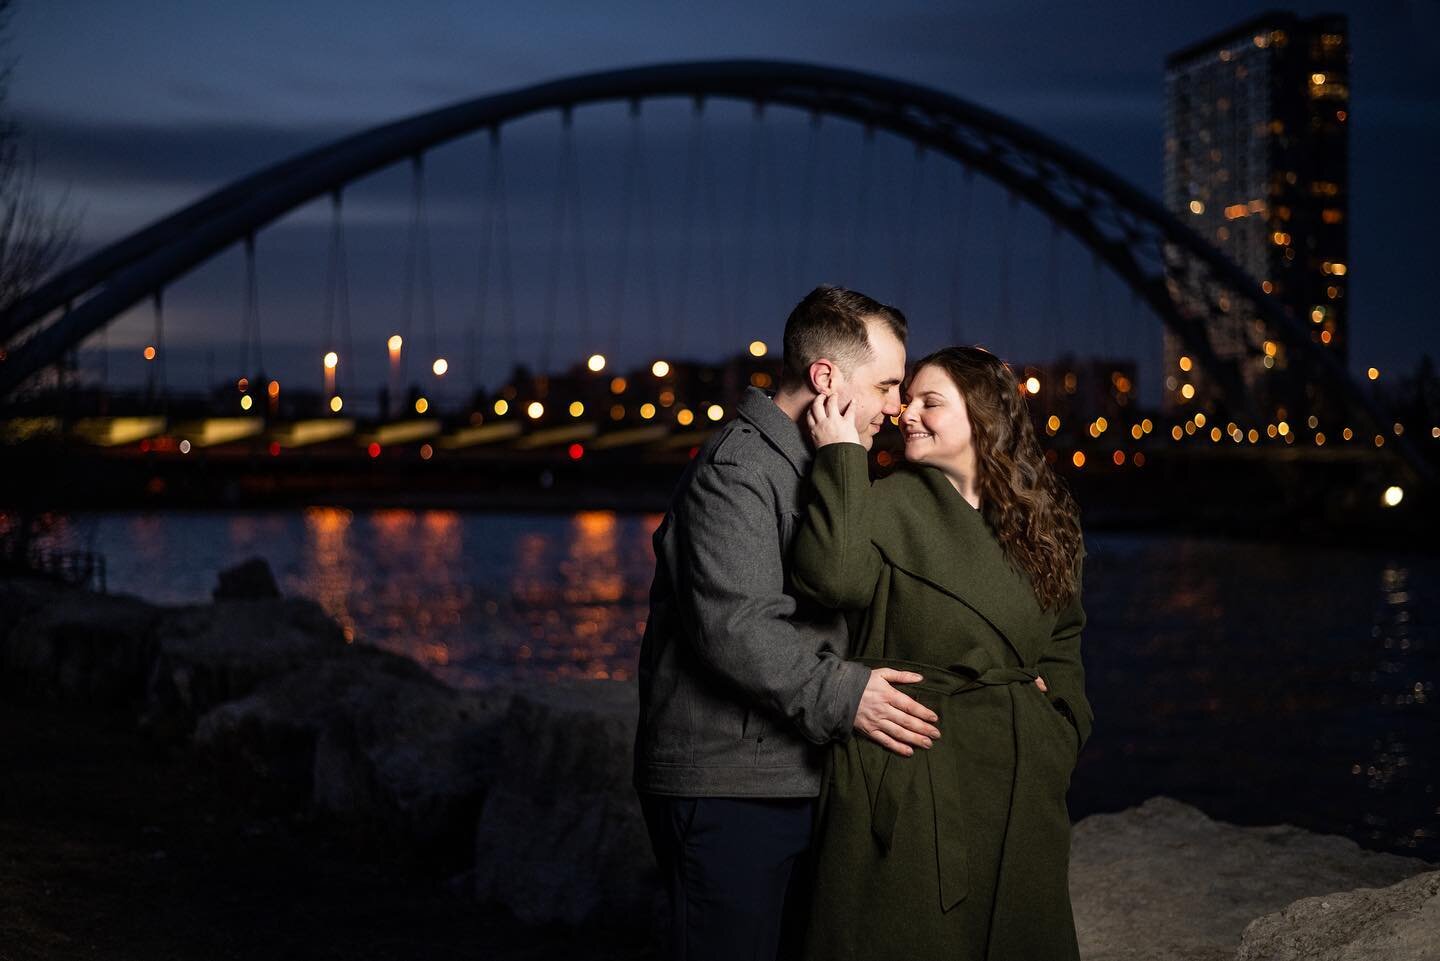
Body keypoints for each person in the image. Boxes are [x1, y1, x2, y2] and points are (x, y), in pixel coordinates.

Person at [633, 286, 944, 961]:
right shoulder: (739, 470)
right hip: (725, 788)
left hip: (788, 776)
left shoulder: (817, 467)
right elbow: (736, 626)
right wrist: (850, 695)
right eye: (887, 385)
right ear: (825, 378)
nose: (897, 406)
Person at [792, 345, 1092, 961]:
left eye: (931, 402)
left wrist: (1059, 723)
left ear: (985, 418)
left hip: (1017, 772)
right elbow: (834, 579)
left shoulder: (1044, 519)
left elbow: (1065, 639)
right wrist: (840, 455)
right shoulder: (887, 499)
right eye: (908, 401)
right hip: (908, 763)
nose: (907, 414)